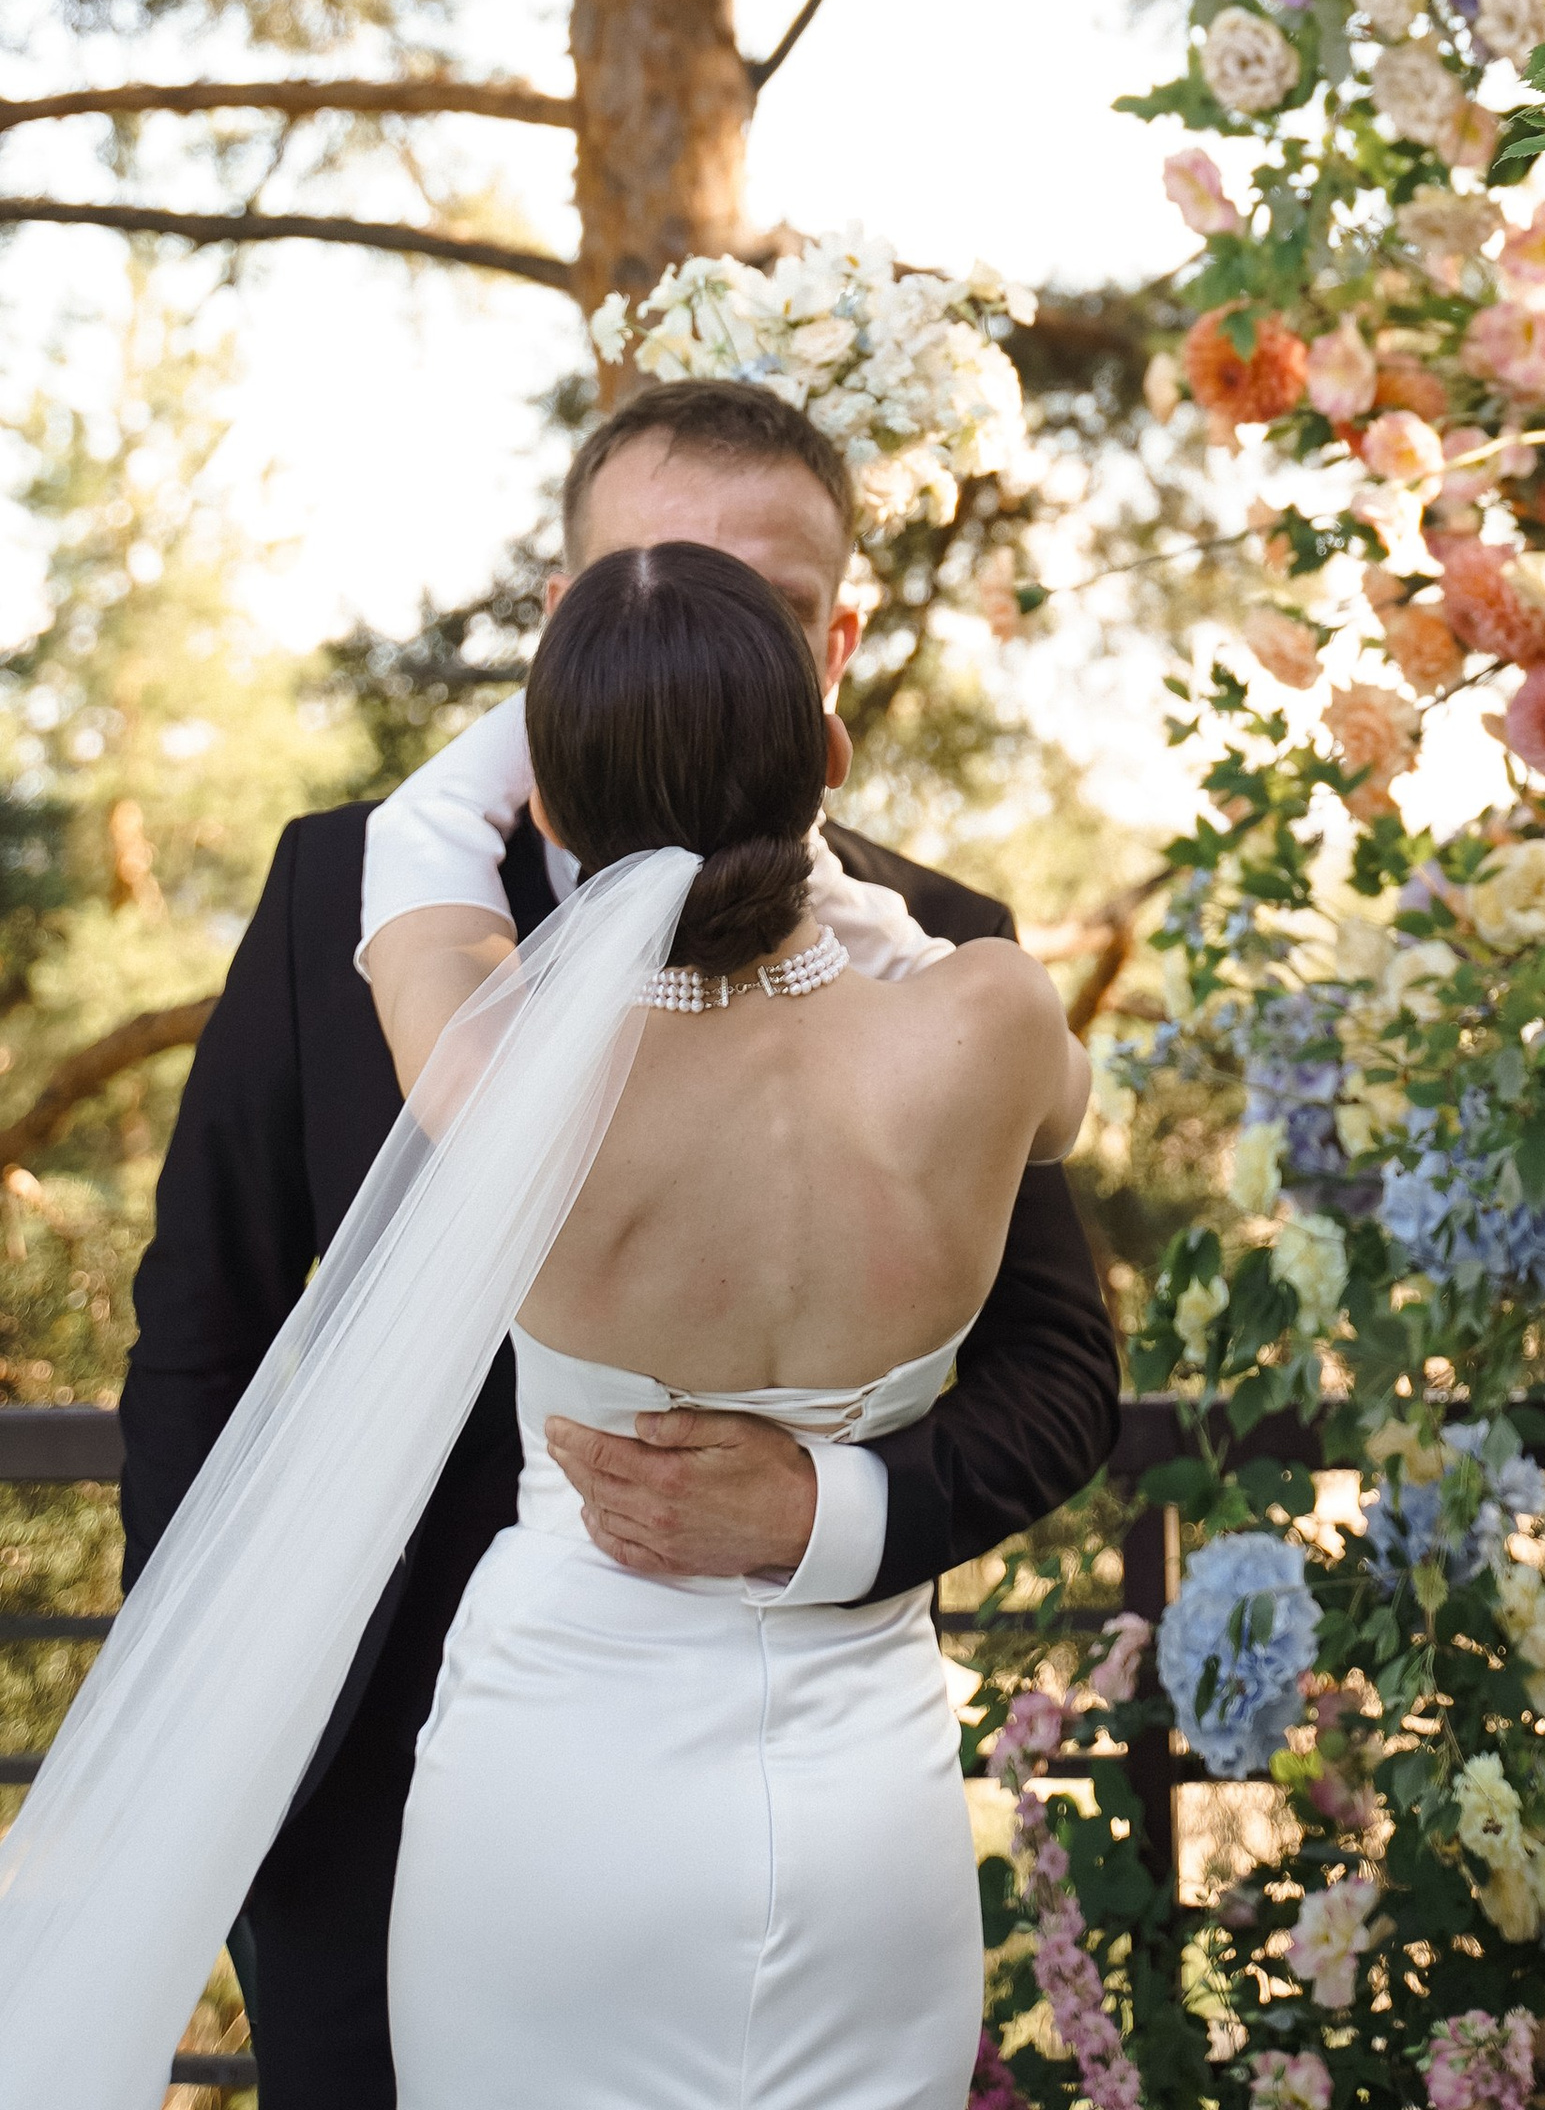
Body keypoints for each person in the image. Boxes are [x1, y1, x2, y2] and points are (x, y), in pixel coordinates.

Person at [118, 379, 1121, 2108]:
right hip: (351, 1784)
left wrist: (832, 1511)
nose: (703, 634)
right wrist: (204, 1744)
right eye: (653, 587)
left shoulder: (464, 987)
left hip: (624, 1773)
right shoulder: (976, 1000)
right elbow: (201, 1334)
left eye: (769, 606)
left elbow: (1065, 1372)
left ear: (839, 642)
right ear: (561, 621)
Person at [368, 535, 1090, 2105]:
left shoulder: (505, 1076)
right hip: (860, 1802)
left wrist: (584, 693)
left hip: (554, 1779)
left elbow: (418, 841)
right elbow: (1026, 1080)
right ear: (825, 760)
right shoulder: (994, 1020)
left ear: (554, 812)